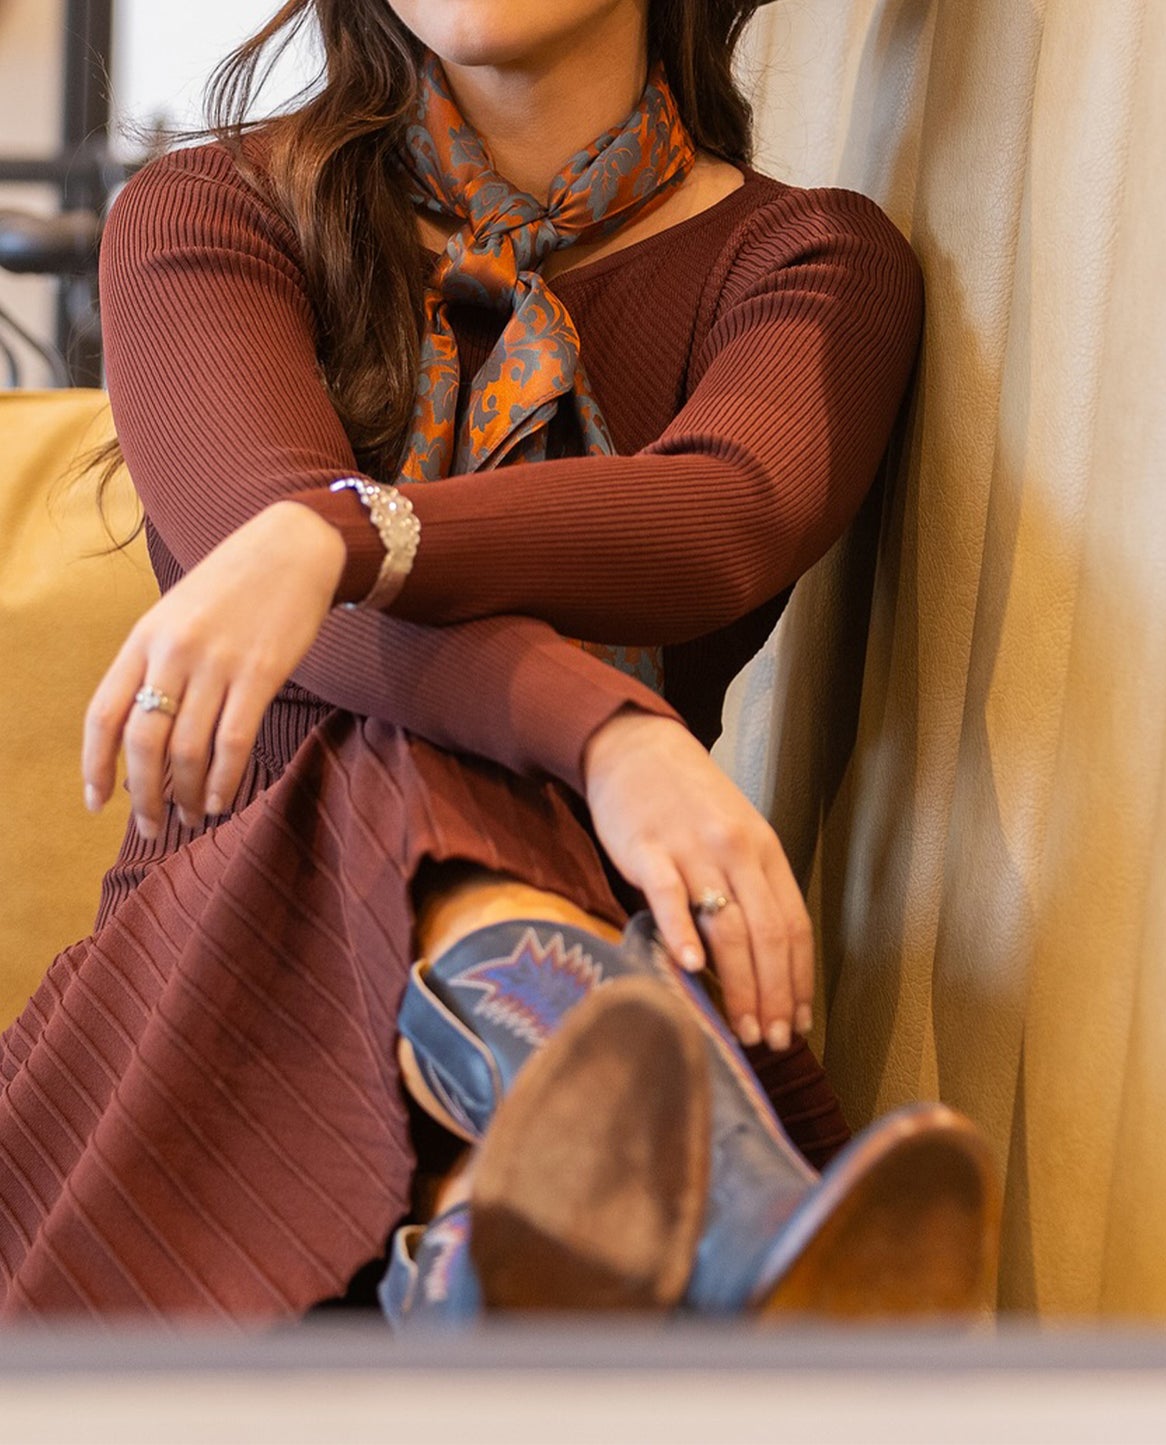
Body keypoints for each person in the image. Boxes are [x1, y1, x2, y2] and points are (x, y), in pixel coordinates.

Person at [0, 0, 988, 1320]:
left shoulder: (804, 258)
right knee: (391, 757)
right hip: (208, 1015)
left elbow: (726, 513)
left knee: (540, 1212)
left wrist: (343, 532)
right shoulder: (209, 214)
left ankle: (499, 1249)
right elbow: (287, 591)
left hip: (599, 913)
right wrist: (608, 731)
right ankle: (729, 1209)